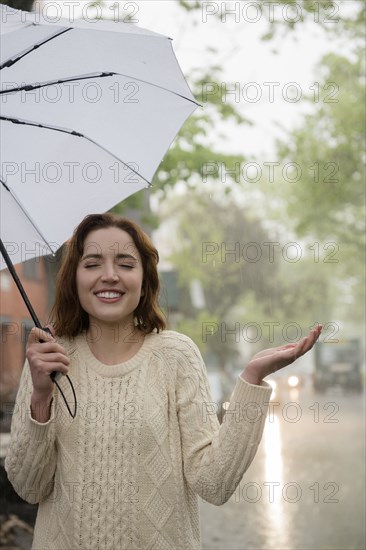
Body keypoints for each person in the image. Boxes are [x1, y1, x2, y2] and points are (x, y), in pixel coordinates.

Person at [5, 213, 322, 550]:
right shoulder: (48, 358)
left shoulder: (176, 355)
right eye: (93, 263)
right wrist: (41, 396)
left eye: (126, 264)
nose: (109, 275)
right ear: (74, 277)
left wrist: (251, 379)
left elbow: (214, 482)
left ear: (145, 280)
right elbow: (29, 487)